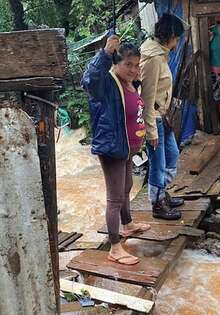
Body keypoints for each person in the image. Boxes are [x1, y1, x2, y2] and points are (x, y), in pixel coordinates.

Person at [81, 36, 151, 265]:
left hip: (128, 148)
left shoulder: (132, 83)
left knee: (128, 186)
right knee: (115, 198)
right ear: (115, 63)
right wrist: (104, 52)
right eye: (127, 64)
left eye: (135, 64)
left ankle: (128, 224)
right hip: (112, 148)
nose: (132, 69)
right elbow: (89, 80)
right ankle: (115, 247)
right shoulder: (107, 84)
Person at [140, 14, 186, 220]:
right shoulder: (152, 59)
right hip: (154, 119)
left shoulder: (161, 54)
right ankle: (157, 204)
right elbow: (146, 97)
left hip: (163, 116)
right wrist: (150, 131)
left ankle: (161, 194)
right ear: (170, 37)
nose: (177, 43)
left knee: (173, 155)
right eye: (176, 39)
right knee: (157, 163)